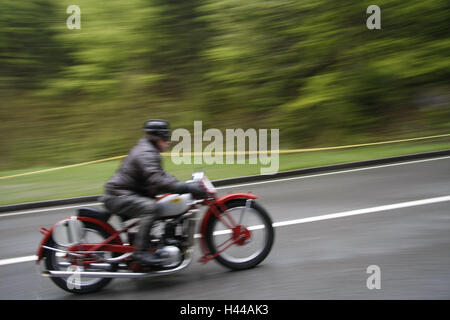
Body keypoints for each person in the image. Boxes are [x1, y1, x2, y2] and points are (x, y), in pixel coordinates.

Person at [102, 119, 207, 266]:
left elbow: (161, 175)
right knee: (150, 208)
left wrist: (184, 184)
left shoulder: (149, 150)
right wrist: (185, 188)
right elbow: (157, 180)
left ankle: (152, 243)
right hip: (119, 195)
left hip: (124, 193)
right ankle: (140, 252)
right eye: (166, 137)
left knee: (162, 203)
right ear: (157, 137)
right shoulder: (146, 153)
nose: (169, 142)